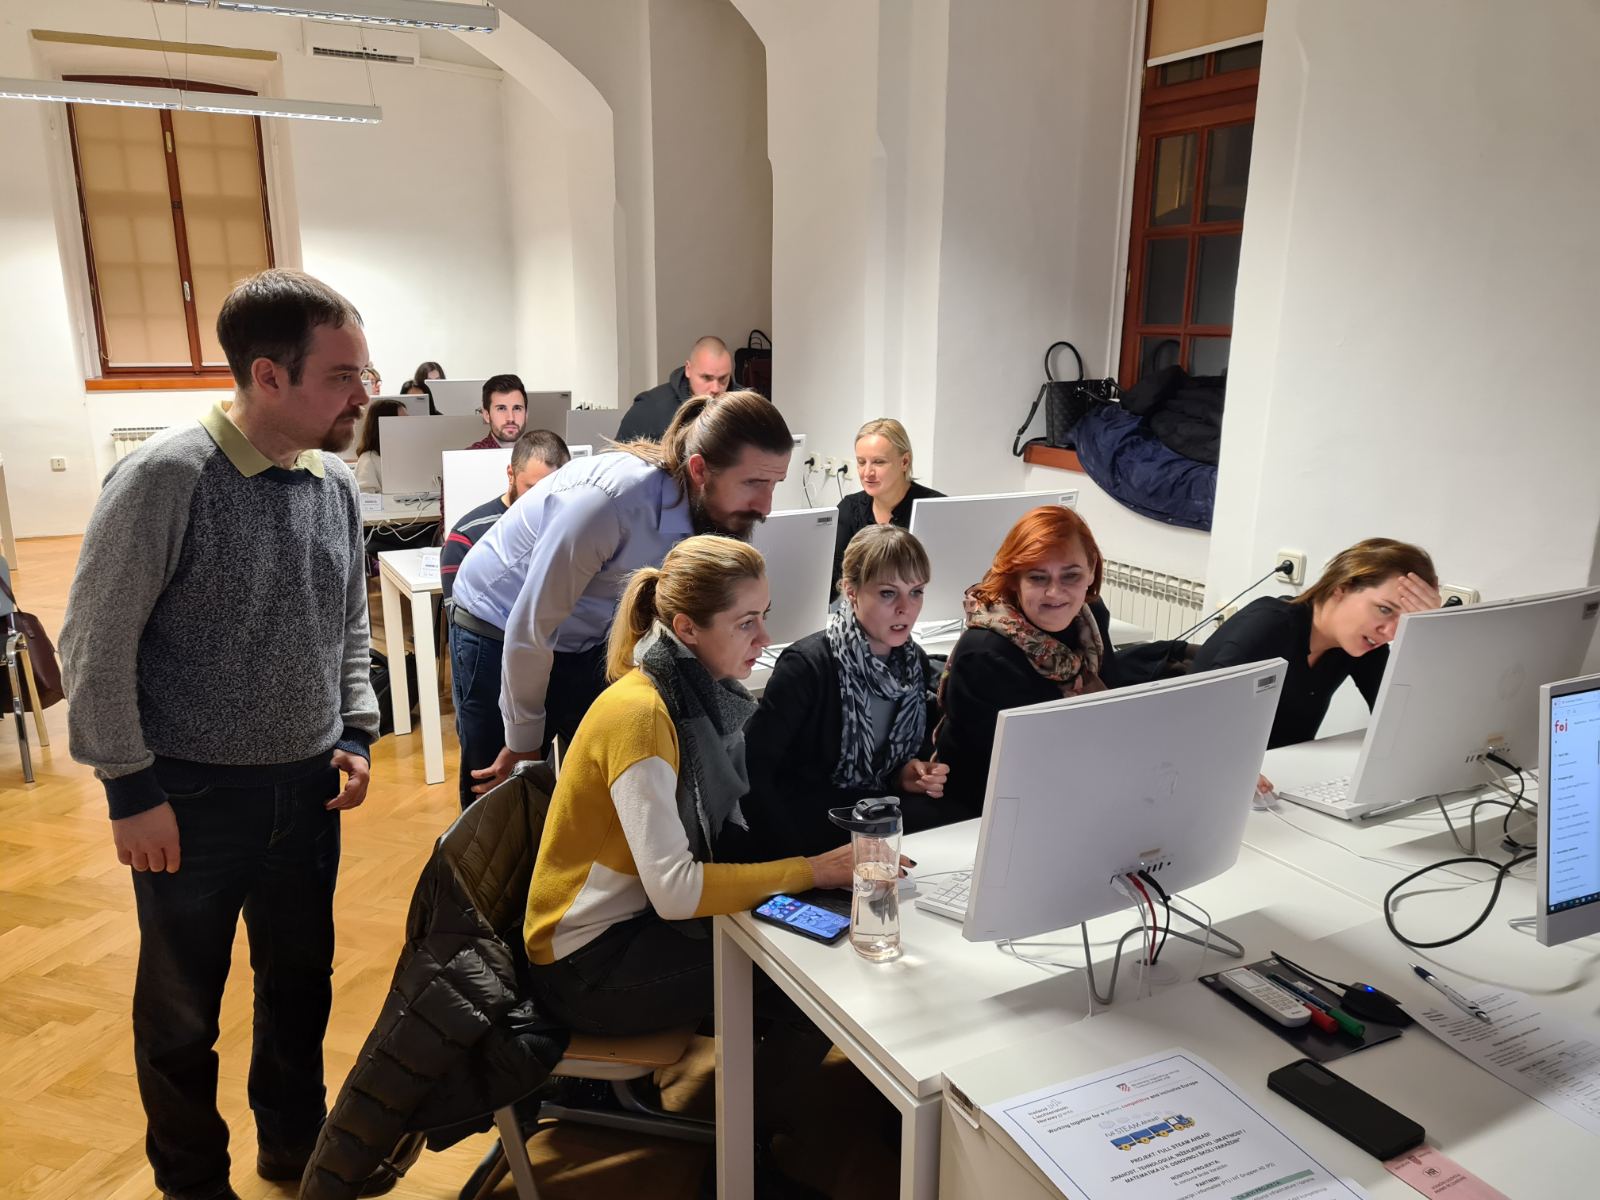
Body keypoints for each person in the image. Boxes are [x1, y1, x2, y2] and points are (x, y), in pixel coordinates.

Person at [59, 269, 382, 1200]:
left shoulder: (331, 480)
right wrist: (129, 788)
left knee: (300, 989)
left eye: (362, 373)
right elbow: (93, 643)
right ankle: (192, 1182)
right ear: (268, 376)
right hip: (188, 801)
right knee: (181, 1016)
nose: (361, 395)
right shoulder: (165, 478)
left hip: (307, 790)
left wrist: (355, 729)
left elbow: (345, 623)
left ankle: (295, 1149)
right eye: (341, 376)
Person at [523, 535, 856, 1034]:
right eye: (746, 622)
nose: (765, 637)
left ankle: (751, 1076)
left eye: (764, 615)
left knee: (806, 947)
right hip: (585, 962)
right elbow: (676, 892)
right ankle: (752, 1085)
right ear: (686, 629)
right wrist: (813, 871)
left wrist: (816, 868)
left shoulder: (689, 696)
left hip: (633, 925)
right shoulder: (642, 716)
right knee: (807, 975)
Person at [450, 390, 792, 801]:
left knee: (600, 779)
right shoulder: (606, 504)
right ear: (700, 469)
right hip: (498, 625)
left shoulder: (709, 509)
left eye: (775, 484)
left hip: (587, 634)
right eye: (754, 483)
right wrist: (524, 745)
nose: (765, 507)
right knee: (503, 799)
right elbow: (531, 625)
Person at [737, 525, 950, 859]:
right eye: (888, 593)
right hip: (810, 828)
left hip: (873, 816)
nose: (905, 608)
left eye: (916, 592)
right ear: (851, 591)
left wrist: (904, 774)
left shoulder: (913, 662)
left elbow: (885, 767)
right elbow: (755, 775)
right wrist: (804, 865)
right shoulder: (807, 666)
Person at [1191, 538, 1441, 777]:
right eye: (1384, 609)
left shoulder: (1363, 644)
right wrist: (1233, 766)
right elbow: (1197, 722)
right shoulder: (1269, 625)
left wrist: (1428, 633)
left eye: (1404, 620)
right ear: (1341, 588)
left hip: (1281, 778)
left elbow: (1400, 727)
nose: (1390, 632)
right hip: (1206, 773)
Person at [931, 505, 1121, 818]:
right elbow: (1003, 772)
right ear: (1014, 579)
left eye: (1071, 575)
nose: (1055, 592)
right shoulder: (984, 652)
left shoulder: (1089, 620)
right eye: (1037, 577)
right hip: (987, 810)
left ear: (1091, 571)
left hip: (1071, 788)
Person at [443, 429, 571, 809]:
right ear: (511, 475)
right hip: (491, 660)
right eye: (531, 488)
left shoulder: (569, 527)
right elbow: (460, 626)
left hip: (551, 660)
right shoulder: (468, 534)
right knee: (486, 770)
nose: (542, 502)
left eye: (552, 489)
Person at [829, 418, 944, 601]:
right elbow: (831, 580)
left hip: (923, 613)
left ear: (904, 461)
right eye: (861, 462)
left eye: (879, 462)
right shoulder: (849, 509)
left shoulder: (936, 508)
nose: (867, 473)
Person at [616, 335, 735, 443]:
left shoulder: (743, 408)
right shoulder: (649, 409)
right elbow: (619, 458)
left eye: (723, 379)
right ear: (688, 369)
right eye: (706, 378)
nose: (715, 388)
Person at [351, 397, 408, 493]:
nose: (409, 426)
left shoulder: (408, 455)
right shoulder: (368, 460)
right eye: (403, 422)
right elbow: (366, 497)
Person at [468, 373, 527, 449]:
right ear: (486, 415)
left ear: (526, 414)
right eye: (501, 408)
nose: (511, 418)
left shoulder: (538, 453)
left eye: (517, 408)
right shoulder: (472, 455)